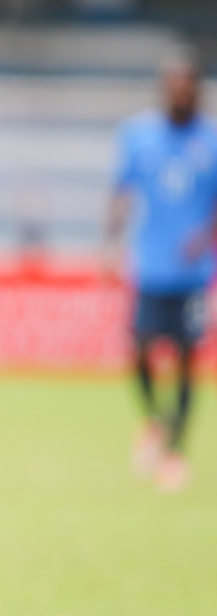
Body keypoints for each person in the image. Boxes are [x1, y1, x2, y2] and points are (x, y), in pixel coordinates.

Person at [105, 53, 217, 493]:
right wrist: (109, 245)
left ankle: (175, 452)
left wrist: (206, 236)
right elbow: (121, 193)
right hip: (151, 266)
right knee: (138, 349)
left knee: (189, 360)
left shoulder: (211, 140)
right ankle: (154, 420)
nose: (180, 92)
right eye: (174, 85)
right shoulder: (138, 137)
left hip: (193, 272)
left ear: (198, 89)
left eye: (187, 85)